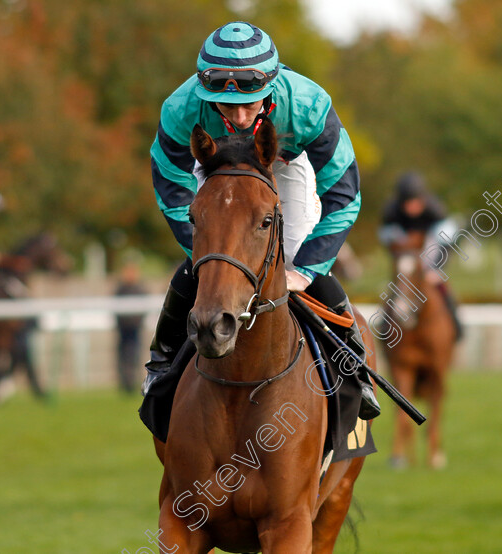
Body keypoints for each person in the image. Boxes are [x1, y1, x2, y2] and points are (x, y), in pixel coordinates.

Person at [145, 21, 379, 418]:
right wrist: (208, 252)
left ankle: (354, 367)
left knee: (291, 259)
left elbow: (343, 195)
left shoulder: (309, 105)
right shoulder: (180, 109)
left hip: (284, 165)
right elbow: (171, 190)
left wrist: (304, 271)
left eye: (248, 103)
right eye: (224, 104)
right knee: (211, 258)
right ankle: (161, 361)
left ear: (270, 89)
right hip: (217, 169)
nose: (237, 117)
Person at [378, 171, 463, 340]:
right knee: (397, 289)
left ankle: (457, 326)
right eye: (407, 203)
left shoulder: (436, 210)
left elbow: (447, 244)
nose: (412, 207)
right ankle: (384, 329)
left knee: (443, 289)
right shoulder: (391, 212)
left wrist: (436, 269)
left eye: (415, 202)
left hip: (432, 252)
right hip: (406, 254)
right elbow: (389, 242)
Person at [114, 256, 147, 395]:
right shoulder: (120, 289)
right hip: (123, 329)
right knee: (123, 356)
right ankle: (124, 384)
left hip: (135, 329)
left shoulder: (140, 289)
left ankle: (132, 383)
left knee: (134, 355)